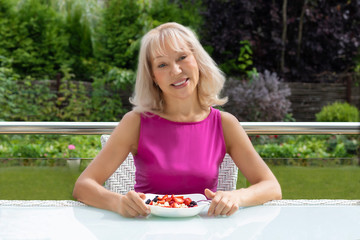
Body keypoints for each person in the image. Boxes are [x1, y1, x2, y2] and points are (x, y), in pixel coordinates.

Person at [73, 22, 282, 218]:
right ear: (153, 77)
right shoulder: (135, 122)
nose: (175, 71)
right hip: (146, 231)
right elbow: (83, 186)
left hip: (206, 232)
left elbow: (271, 186)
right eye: (162, 65)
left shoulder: (225, 124)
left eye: (182, 57)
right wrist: (117, 202)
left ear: (197, 60)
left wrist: (237, 196)